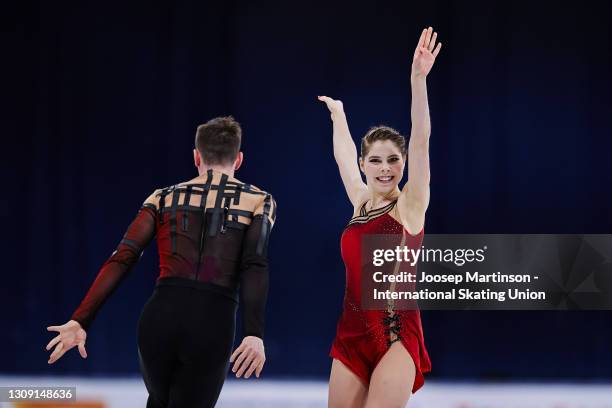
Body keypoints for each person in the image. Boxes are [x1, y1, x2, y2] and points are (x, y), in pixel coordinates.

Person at [45, 116, 277, 408]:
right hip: (211, 323)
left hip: (159, 320)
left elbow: (122, 258)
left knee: (158, 402)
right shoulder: (259, 200)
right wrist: (254, 332)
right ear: (239, 159)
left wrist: (81, 319)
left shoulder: (162, 197)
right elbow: (254, 264)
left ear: (196, 156)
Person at [319, 27, 441, 407]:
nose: (385, 168)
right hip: (351, 334)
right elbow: (342, 156)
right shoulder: (359, 202)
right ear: (364, 164)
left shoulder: (410, 206)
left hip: (395, 335)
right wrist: (338, 115)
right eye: (375, 160)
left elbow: (420, 139)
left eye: (393, 160)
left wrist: (417, 80)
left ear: (403, 163)